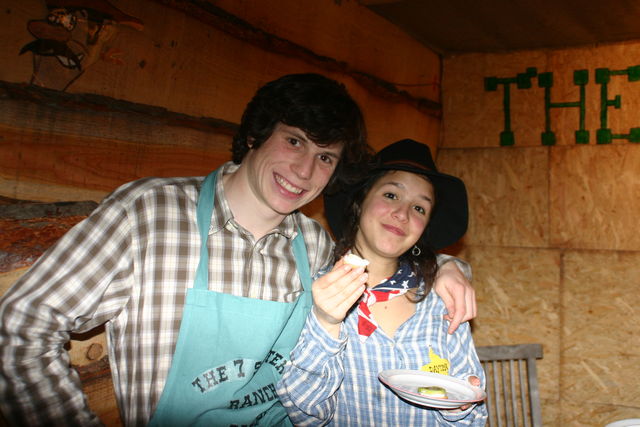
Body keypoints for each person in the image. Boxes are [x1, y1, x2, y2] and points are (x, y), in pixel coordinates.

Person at [0, 74, 475, 427]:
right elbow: (22, 323)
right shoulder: (150, 213)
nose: (305, 171)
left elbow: (385, 259)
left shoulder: (314, 245)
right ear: (255, 135)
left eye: (325, 157)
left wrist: (447, 266)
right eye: (294, 141)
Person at [277, 139, 487, 426]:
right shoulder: (316, 291)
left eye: (419, 208)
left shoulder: (442, 298)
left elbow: (473, 419)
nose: (402, 214)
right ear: (359, 202)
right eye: (391, 195)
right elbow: (306, 415)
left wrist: (458, 406)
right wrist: (326, 322)